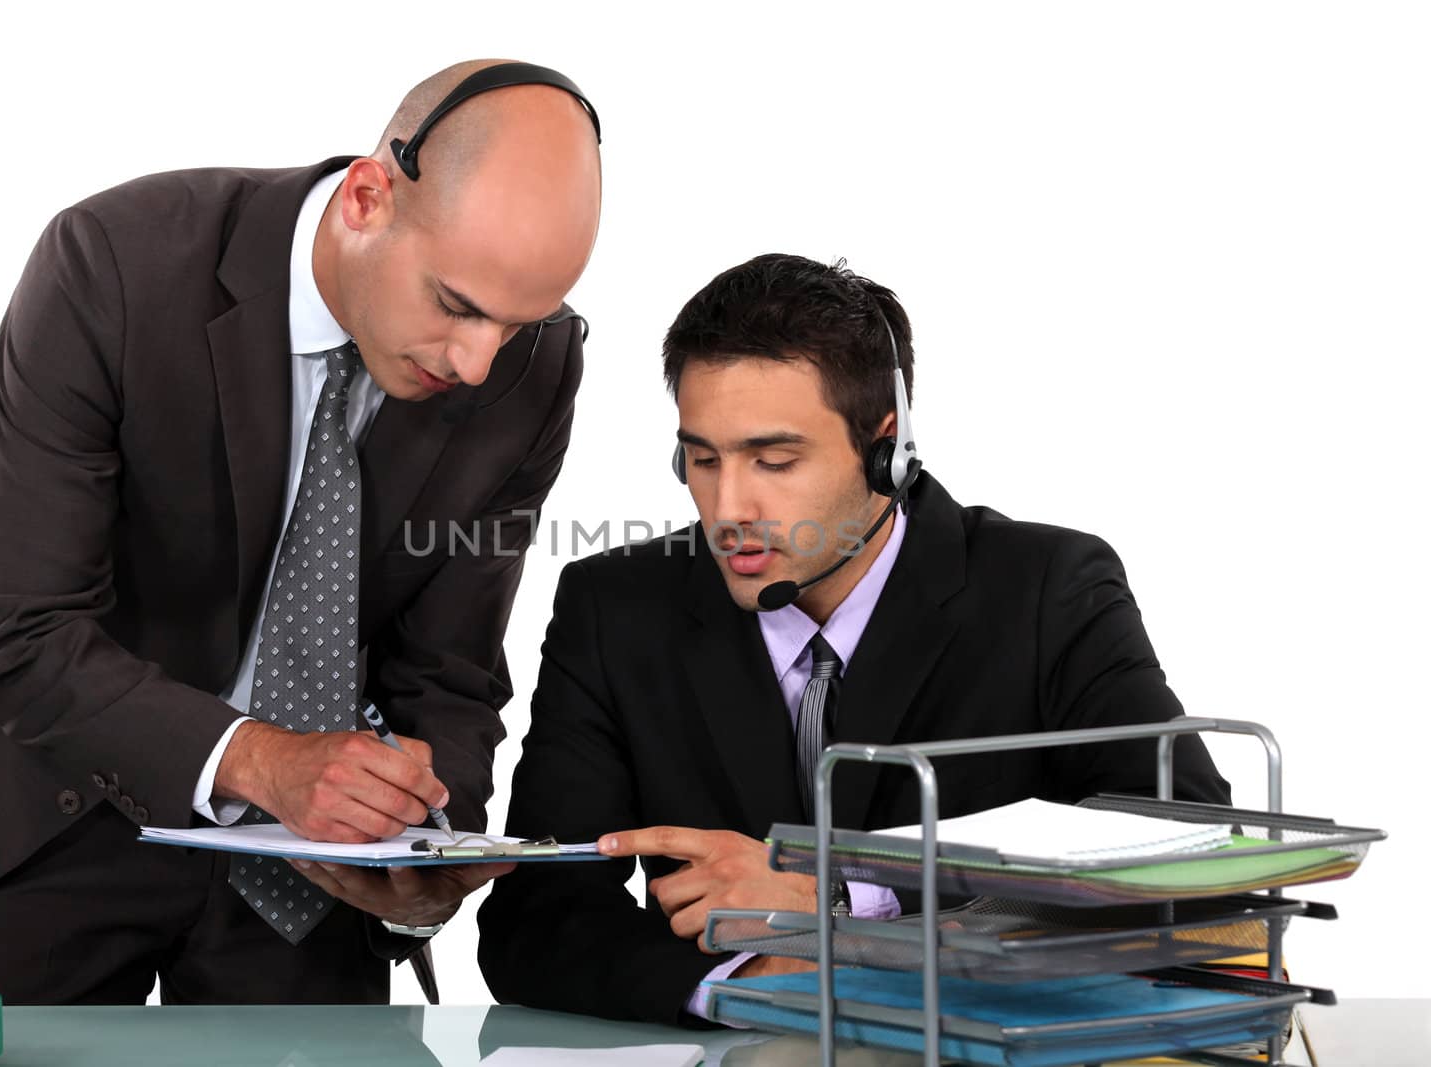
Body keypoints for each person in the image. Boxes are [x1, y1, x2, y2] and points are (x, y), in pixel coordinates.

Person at [0, 59, 602, 1006]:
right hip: (47, 800)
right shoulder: (112, 264)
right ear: (367, 199)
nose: (481, 363)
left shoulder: (538, 366)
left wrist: (429, 841)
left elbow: (450, 663)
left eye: (518, 323)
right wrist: (262, 762)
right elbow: (23, 631)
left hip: (309, 866)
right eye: (456, 305)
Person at [477, 253, 1230, 1024]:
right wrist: (748, 985)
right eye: (701, 458)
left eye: (774, 460)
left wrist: (840, 892)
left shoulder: (1049, 589)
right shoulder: (615, 608)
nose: (728, 505)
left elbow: (1194, 850)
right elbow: (532, 923)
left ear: (887, 449)